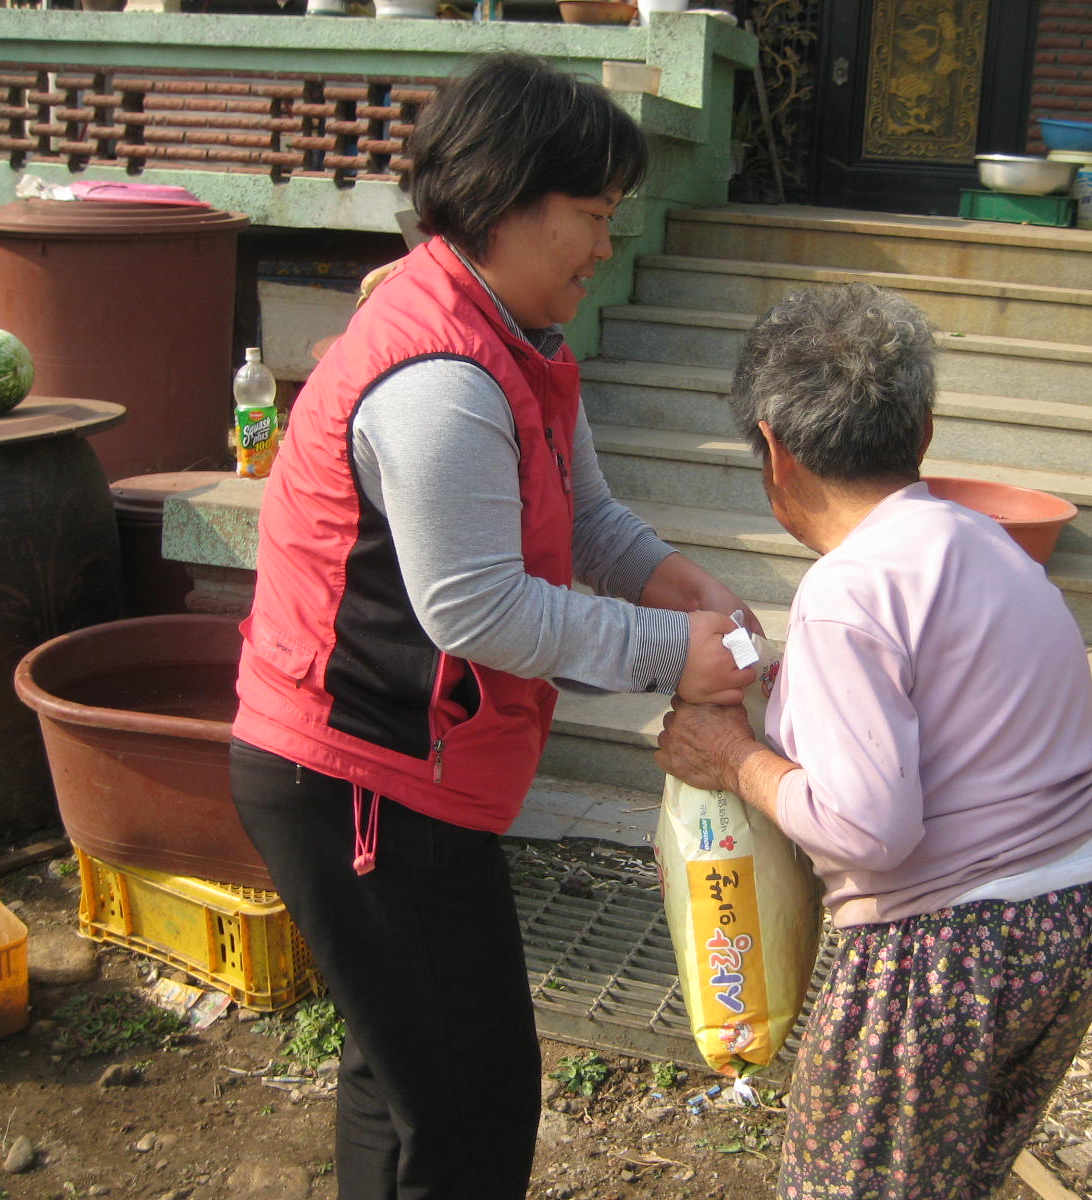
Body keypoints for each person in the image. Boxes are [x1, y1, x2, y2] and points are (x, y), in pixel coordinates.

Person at [229, 52, 756, 1200]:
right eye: (593, 214)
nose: (605, 246)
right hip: (357, 774)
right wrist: (670, 654)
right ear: (505, 200)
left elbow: (585, 514)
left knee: (402, 1073)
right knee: (471, 1099)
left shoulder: (514, 337)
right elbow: (474, 607)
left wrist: (677, 585)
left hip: (399, 769)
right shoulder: (440, 377)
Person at [655, 283, 1092, 1200]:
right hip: (1082, 906)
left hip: (960, 945)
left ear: (774, 450)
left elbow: (867, 829)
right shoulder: (984, 540)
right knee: (952, 1175)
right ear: (924, 430)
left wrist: (733, 757)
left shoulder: (848, 590)